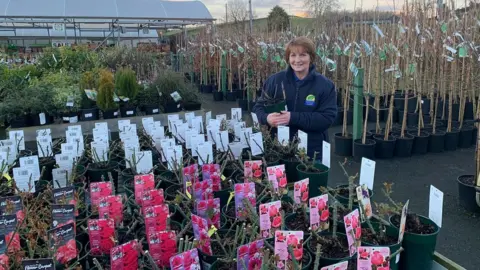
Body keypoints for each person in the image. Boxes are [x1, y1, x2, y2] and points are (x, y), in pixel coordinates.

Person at [253, 36, 337, 160]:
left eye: (303, 55)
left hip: (312, 152)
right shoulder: (275, 81)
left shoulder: (325, 85)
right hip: (277, 149)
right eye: (293, 55)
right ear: (288, 58)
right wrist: (266, 118)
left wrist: (292, 117)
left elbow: (326, 118)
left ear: (311, 57)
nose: (297, 60)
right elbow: (258, 108)